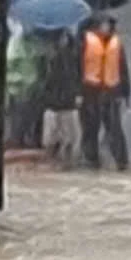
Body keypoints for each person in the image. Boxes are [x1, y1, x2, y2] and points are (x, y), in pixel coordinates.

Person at [80, 15, 131, 171]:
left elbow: (123, 70)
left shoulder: (117, 45)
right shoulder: (84, 43)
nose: (106, 27)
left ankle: (122, 161)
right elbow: (78, 68)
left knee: (114, 128)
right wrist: (78, 92)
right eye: (103, 24)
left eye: (108, 24)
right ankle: (91, 159)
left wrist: (126, 93)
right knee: (91, 127)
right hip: (90, 90)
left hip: (112, 91)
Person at [39, 28, 83, 165]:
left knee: (69, 133)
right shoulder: (48, 57)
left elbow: (76, 77)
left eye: (65, 37)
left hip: (66, 100)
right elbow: (45, 79)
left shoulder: (73, 56)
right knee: (51, 134)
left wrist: (78, 94)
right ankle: (53, 159)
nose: (63, 40)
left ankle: (66, 160)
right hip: (53, 101)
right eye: (61, 38)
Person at [5, 28, 44, 148]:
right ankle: (16, 141)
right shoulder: (14, 44)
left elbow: (39, 63)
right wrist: (18, 80)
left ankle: (28, 140)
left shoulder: (36, 42)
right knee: (18, 117)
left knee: (31, 116)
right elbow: (9, 66)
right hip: (18, 88)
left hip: (33, 87)